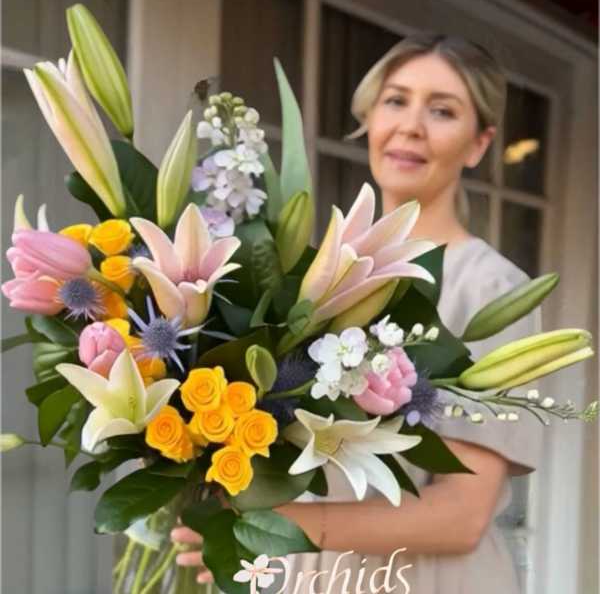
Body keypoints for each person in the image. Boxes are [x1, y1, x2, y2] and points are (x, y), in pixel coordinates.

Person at [171, 33, 544, 593]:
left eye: (442, 110)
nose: (411, 126)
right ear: (370, 118)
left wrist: (272, 526)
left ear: (478, 145)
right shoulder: (310, 274)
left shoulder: (489, 288)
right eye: (396, 101)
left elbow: (461, 517)